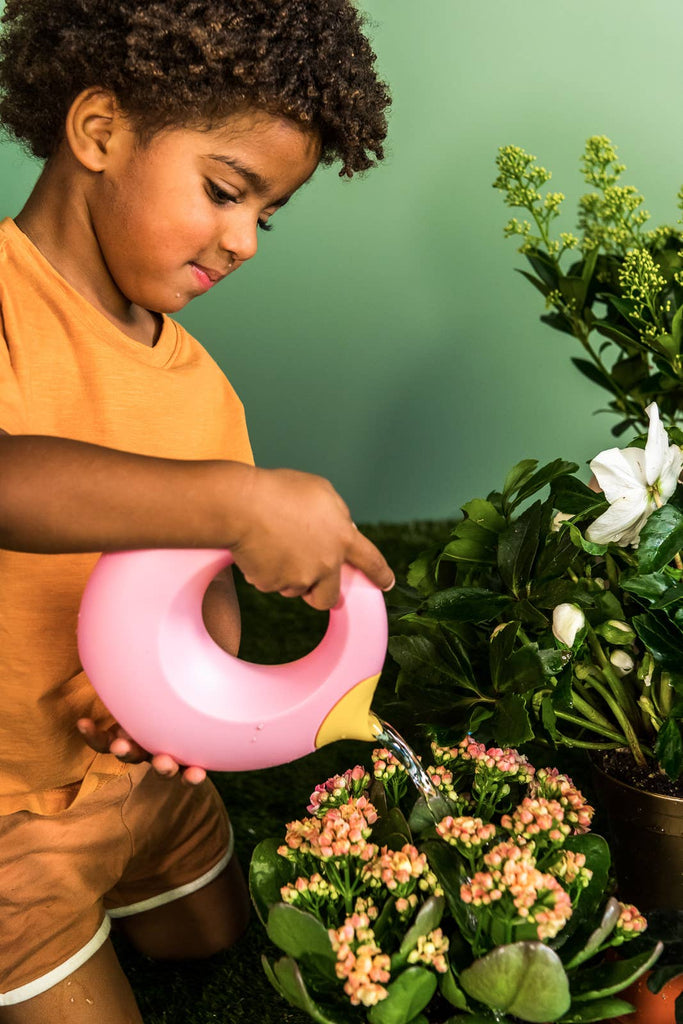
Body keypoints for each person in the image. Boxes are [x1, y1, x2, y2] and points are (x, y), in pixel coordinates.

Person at [0, 1, 394, 1020]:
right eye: (226, 192)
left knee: (214, 934)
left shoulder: (202, 388)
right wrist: (235, 498)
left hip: (138, 777)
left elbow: (203, 589)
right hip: (9, 814)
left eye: (266, 214)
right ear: (98, 132)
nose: (245, 241)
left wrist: (172, 695)